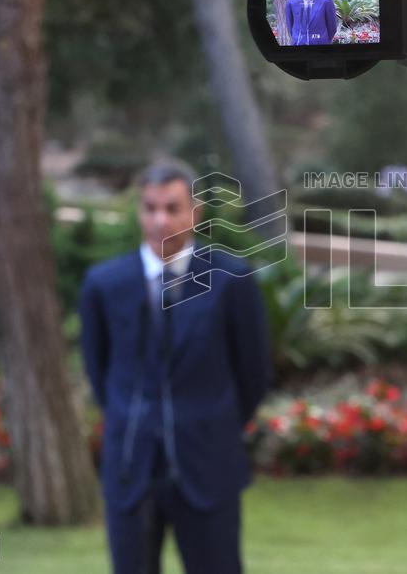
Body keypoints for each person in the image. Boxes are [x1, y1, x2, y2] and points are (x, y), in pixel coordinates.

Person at [78, 161, 272, 574]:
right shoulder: (104, 284)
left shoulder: (231, 280)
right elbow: (99, 371)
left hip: (208, 465)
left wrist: (210, 423)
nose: (160, 220)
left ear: (195, 212)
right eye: (150, 208)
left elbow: (254, 373)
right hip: (131, 468)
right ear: (139, 212)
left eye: (172, 207)